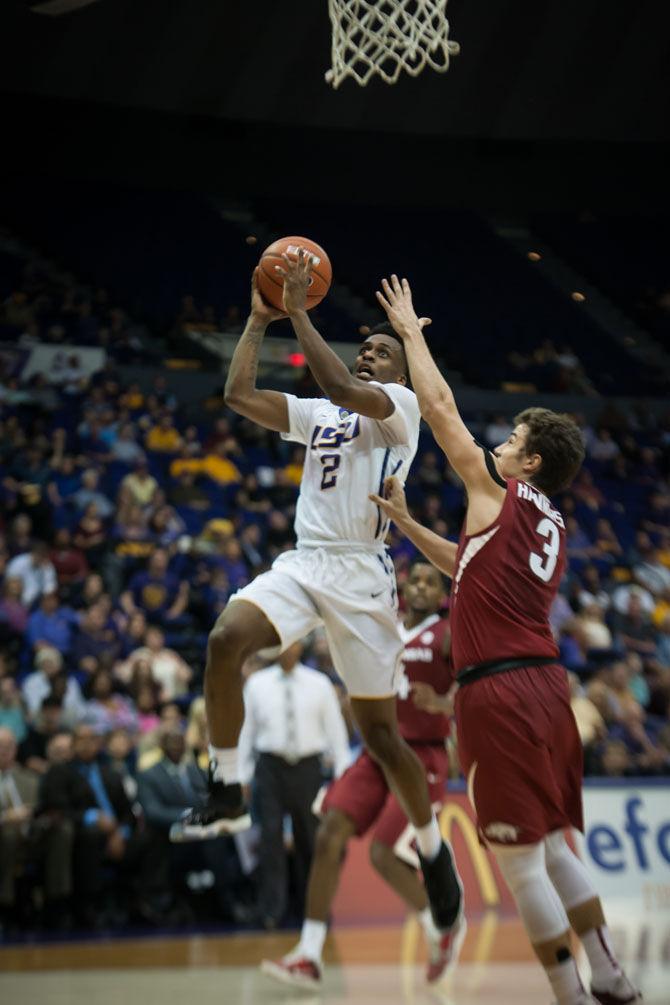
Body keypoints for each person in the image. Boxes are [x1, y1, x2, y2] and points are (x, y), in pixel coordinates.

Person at [176, 255, 464, 951]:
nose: (368, 353)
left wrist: (301, 312)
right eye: (364, 345)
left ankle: (430, 848)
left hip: (364, 578)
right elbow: (239, 393)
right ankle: (228, 784)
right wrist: (258, 317)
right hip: (306, 562)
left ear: (400, 370)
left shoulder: (399, 408)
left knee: (380, 735)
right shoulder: (321, 412)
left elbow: (333, 376)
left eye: (381, 349)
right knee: (224, 641)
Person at [371, 273, 641, 1005]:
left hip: (498, 689)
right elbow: (466, 568)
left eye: (513, 439)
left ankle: (570, 995)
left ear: (529, 464)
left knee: (522, 863)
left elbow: (439, 407)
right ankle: (610, 973)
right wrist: (405, 525)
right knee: (554, 846)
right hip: (549, 687)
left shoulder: (498, 493)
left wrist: (411, 334)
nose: (500, 442)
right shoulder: (545, 520)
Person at [262, 559, 457, 988]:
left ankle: (438, 923)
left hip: (421, 756)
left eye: (431, 582)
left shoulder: (447, 635)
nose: (422, 586)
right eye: (416, 580)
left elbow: (477, 690)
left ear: (443, 597)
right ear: (404, 590)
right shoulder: (385, 627)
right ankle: (309, 954)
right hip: (377, 752)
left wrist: (445, 706)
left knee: (383, 854)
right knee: (329, 832)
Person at [236, 640, 350, 930]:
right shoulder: (257, 684)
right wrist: (243, 775)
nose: (287, 647)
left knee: (310, 839)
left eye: (293, 641)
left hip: (308, 768)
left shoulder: (319, 683)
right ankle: (272, 910)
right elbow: (247, 731)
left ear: (301, 647)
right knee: (270, 839)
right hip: (270, 767)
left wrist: (342, 772)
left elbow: (335, 730)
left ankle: (313, 909)